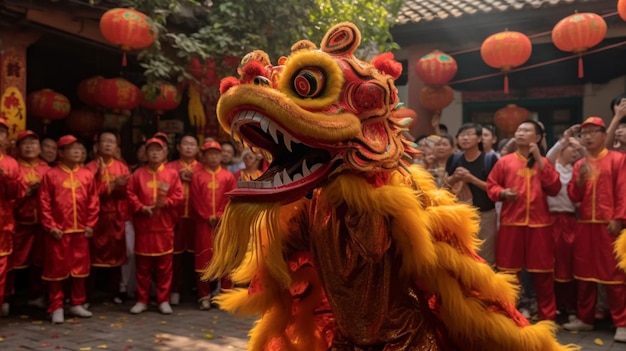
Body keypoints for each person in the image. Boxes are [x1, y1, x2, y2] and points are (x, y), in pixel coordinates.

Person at [486, 120, 561, 321]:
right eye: (518, 129)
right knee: (509, 272)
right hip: (512, 223)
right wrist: (502, 193)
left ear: (537, 137)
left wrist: (538, 158)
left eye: (526, 130)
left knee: (543, 273)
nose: (520, 132)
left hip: (540, 224)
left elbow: (554, 188)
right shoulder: (504, 162)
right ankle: (508, 313)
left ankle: (548, 317)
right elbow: (491, 186)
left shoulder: (543, 162)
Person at [563, 117, 626, 343]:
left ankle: (621, 323)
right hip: (585, 226)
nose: (587, 137)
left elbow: (623, 190)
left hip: (608, 224)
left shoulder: (618, 159)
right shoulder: (580, 164)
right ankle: (586, 318)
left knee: (613, 275)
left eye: (592, 132)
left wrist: (619, 218)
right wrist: (579, 180)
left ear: (603, 134)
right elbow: (574, 196)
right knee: (584, 273)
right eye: (584, 133)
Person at [39, 135, 99, 324]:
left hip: (80, 230)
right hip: (59, 231)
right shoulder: (51, 175)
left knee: (80, 269)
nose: (77, 151)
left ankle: (77, 303)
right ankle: (56, 306)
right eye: (71, 148)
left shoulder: (87, 175)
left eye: (79, 148)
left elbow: (93, 201)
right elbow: (44, 203)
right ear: (61, 152)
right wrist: (51, 226)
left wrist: (90, 224)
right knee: (56, 270)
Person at [126, 138, 183, 315]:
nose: (155, 153)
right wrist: (141, 207)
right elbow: (130, 194)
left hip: (164, 227)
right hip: (144, 227)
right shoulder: (137, 175)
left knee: (164, 267)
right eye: (151, 150)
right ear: (145, 153)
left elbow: (179, 195)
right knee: (142, 266)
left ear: (165, 153)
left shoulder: (172, 174)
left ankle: (163, 299)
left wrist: (166, 202)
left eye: (158, 150)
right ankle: (142, 299)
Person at [4, 131, 50, 315]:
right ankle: (6, 297)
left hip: (41, 224)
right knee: (12, 262)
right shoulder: (14, 167)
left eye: (33, 143)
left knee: (39, 262)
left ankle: (36, 296)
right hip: (18, 223)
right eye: (25, 144)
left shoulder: (46, 169)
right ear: (18, 147)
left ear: (40, 148)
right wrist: (25, 193)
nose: (30, 147)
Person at [84, 130, 130, 303]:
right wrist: (111, 185)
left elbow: (129, 192)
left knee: (116, 256)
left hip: (115, 216)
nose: (109, 144)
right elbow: (89, 193)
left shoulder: (121, 166)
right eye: (106, 141)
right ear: (97, 146)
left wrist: (121, 187)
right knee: (92, 257)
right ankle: (87, 294)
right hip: (96, 217)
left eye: (112, 141)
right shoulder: (89, 167)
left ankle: (115, 292)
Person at [190, 141, 237, 310]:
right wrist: (206, 216)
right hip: (203, 225)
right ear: (204, 156)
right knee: (203, 259)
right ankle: (204, 295)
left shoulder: (228, 176)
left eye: (216, 153)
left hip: (223, 225)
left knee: (224, 257)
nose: (213, 156)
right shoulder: (197, 176)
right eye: (209, 153)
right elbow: (195, 200)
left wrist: (218, 215)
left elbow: (231, 199)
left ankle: (224, 294)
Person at [444, 123, 498, 267]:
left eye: (469, 134)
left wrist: (471, 179)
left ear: (479, 138)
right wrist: (455, 178)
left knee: (485, 257)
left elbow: (495, 189)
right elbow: (445, 186)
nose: (465, 138)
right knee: (462, 256)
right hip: (461, 215)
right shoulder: (454, 159)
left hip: (485, 214)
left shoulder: (490, 160)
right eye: (462, 135)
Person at [545, 124, 584, 319]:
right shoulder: (553, 166)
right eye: (572, 148)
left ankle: (570, 305)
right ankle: (555, 305)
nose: (575, 152)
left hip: (571, 221)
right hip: (551, 221)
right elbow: (550, 156)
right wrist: (565, 138)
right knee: (550, 264)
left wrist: (580, 145)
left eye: (578, 150)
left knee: (570, 264)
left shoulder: (577, 169)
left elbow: (589, 160)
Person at [166, 134, 202, 305]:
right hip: (176, 218)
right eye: (185, 144)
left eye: (192, 144)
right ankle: (174, 290)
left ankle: (198, 291)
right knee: (176, 257)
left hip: (197, 219)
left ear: (197, 149)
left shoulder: (203, 168)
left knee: (198, 256)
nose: (188, 147)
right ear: (178, 147)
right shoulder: (169, 168)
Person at [0, 118, 24, 318]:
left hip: (2, 224)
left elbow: (15, 193)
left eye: (1, 133)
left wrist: (4, 177)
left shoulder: (11, 164)